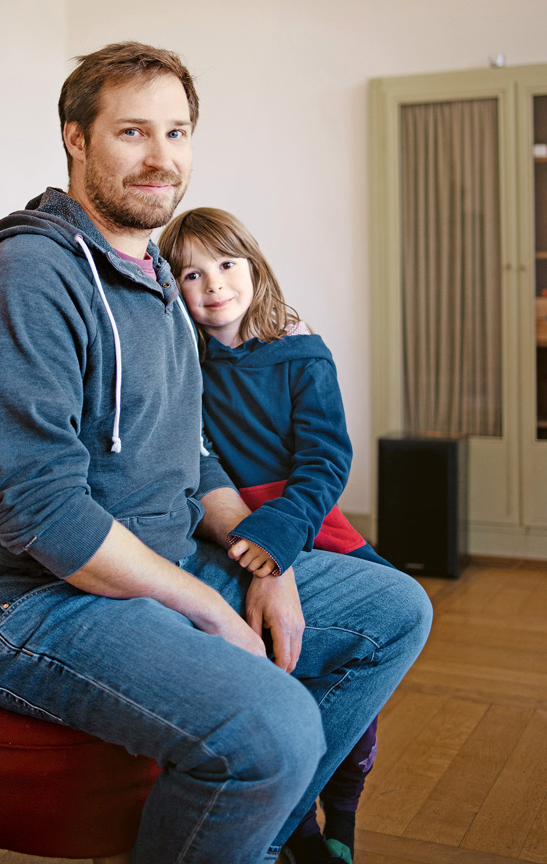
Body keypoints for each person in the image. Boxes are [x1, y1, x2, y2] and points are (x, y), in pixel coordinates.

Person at [0, 41, 432, 864]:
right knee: (274, 727)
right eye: (132, 131)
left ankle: (254, 840)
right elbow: (39, 509)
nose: (162, 157)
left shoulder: (161, 279)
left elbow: (193, 454)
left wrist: (269, 561)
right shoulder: (28, 280)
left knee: (396, 608)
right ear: (76, 139)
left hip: (158, 562)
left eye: (178, 131)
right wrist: (211, 609)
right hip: (30, 604)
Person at [159, 207, 395, 863]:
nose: (214, 285)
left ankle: (342, 809)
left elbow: (326, 460)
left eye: (226, 264)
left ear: (255, 269)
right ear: (173, 289)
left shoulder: (301, 354)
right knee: (274, 671)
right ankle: (296, 830)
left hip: (305, 521)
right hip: (228, 532)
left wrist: (281, 536)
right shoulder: (185, 364)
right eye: (192, 275)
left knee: (379, 637)